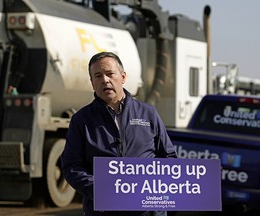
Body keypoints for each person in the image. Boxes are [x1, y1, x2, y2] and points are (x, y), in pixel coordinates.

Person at [61, 52, 177, 216]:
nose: (105, 80)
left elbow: (168, 157)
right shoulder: (81, 120)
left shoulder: (148, 114)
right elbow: (71, 166)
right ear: (92, 83)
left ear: (123, 77)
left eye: (110, 74)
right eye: (98, 76)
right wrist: (98, 190)